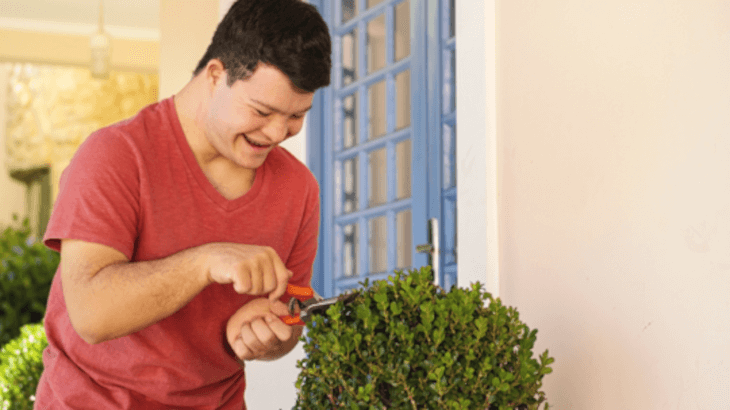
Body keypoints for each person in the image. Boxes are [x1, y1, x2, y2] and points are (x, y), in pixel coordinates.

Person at [33, 0, 331, 408]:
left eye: (297, 116)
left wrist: (267, 338)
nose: (280, 132)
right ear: (215, 74)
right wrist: (206, 262)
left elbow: (291, 310)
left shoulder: (299, 189)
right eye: (263, 111)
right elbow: (91, 315)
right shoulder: (116, 156)